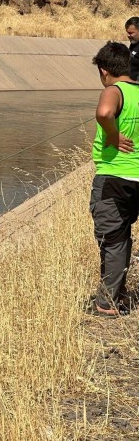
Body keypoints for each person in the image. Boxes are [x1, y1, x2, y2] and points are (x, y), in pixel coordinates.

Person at [89, 41, 139, 317]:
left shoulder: (113, 90)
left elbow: (105, 113)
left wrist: (110, 134)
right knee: (122, 239)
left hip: (114, 177)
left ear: (104, 70)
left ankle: (107, 303)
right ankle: (115, 295)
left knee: (114, 240)